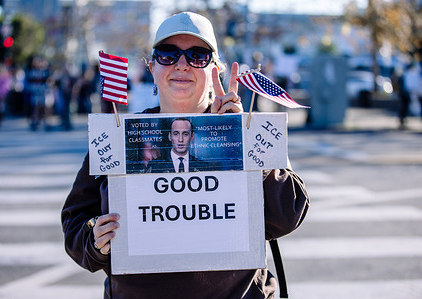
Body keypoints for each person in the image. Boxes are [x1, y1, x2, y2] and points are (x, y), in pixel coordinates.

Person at [62, 11, 309, 299]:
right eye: (168, 54)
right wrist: (95, 240)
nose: (181, 64)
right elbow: (75, 224)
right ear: (152, 67)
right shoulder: (117, 136)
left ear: (215, 69)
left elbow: (289, 214)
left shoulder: (247, 132)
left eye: (197, 55)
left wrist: (245, 139)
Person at [145, 117, 212, 173]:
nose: (180, 139)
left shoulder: (203, 167)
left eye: (185, 134)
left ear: (192, 137)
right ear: (170, 136)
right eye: (176, 134)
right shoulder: (155, 166)